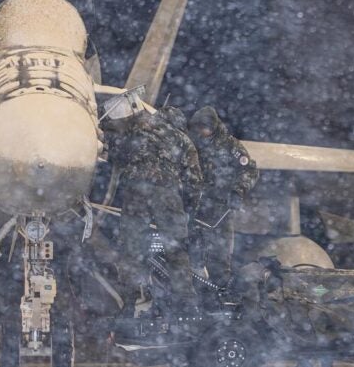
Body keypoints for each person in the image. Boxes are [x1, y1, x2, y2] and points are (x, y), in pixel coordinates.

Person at [102, 98, 203, 314]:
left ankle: (129, 300)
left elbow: (115, 158)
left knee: (131, 250)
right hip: (167, 194)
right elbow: (194, 178)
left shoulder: (135, 129)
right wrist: (190, 205)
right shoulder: (181, 139)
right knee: (175, 249)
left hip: (135, 193)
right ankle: (186, 301)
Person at [187, 106, 259, 289]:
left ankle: (221, 290)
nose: (201, 132)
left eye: (203, 127)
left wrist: (238, 191)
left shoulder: (231, 146)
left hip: (221, 207)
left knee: (219, 253)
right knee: (193, 252)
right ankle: (197, 289)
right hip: (198, 205)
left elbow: (249, 171)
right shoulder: (194, 143)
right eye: (198, 128)